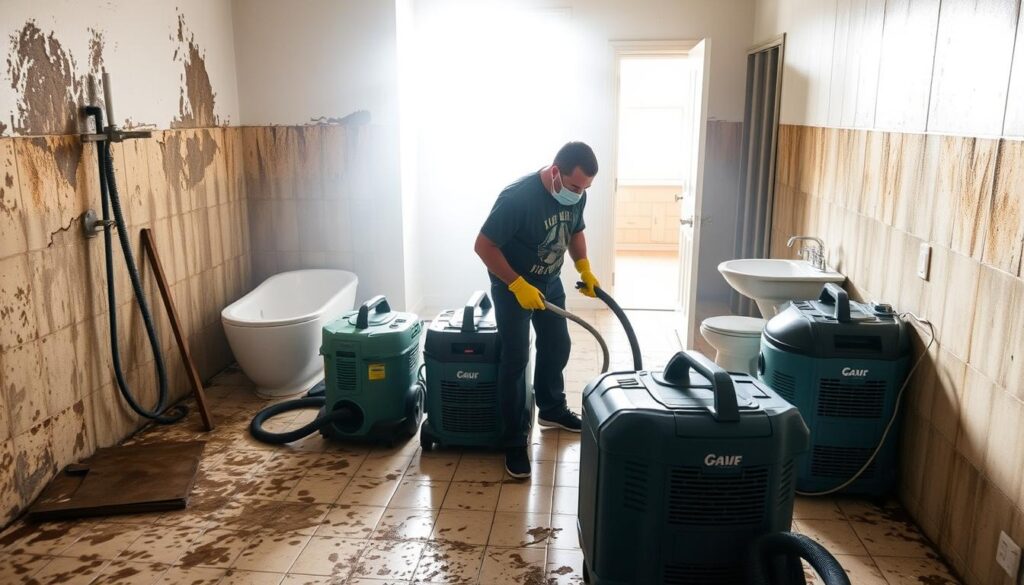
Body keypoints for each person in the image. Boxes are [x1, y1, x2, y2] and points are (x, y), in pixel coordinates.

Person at [473, 141, 601, 478]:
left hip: (549, 282)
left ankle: (552, 409)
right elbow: (483, 246)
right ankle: (513, 440)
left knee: (558, 345)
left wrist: (584, 267)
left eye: (586, 187)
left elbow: (576, 231)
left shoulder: (576, 192)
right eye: (576, 186)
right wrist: (516, 284)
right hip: (512, 285)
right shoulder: (517, 198)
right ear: (556, 172)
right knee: (515, 358)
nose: (580, 193)